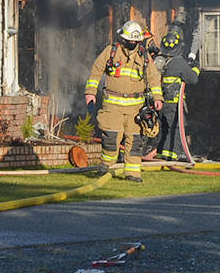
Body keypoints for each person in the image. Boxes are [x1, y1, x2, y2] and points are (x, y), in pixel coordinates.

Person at [84, 20, 162, 182]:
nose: (133, 44)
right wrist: (90, 93)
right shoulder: (111, 51)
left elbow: (154, 78)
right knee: (111, 137)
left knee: (135, 140)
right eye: (130, 41)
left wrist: (157, 98)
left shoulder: (144, 56)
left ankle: (133, 173)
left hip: (136, 107)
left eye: (136, 41)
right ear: (124, 38)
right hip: (112, 105)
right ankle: (106, 164)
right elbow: (96, 71)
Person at [155, 18, 200, 162]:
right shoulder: (179, 62)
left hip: (160, 103)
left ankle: (163, 153)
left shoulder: (159, 60)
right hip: (174, 104)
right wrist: (195, 67)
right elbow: (192, 79)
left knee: (164, 128)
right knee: (176, 128)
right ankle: (173, 155)